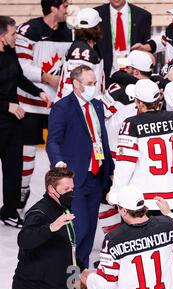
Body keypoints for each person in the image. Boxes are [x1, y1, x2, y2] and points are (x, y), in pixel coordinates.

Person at [108, 79, 173, 289]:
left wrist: (115, 194)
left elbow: (124, 165)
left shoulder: (131, 124)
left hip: (144, 198)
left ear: (139, 103)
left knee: (145, 247)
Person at [47, 65, 114, 270]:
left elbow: (101, 139)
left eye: (95, 83)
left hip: (96, 175)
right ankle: (67, 270)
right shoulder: (62, 107)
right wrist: (58, 163)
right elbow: (53, 141)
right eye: (89, 84)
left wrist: (110, 169)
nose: (93, 87)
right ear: (76, 84)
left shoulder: (97, 105)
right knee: (80, 227)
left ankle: (80, 271)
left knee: (91, 228)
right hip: (74, 178)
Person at [80, 186, 173, 289]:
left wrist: (86, 277)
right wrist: (170, 215)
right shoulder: (169, 224)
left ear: (124, 211)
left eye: (118, 207)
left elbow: (105, 286)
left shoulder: (113, 239)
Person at [15, 0, 73, 214]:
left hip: (57, 105)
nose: (68, 11)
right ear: (53, 8)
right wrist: (49, 79)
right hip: (30, 104)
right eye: (65, 6)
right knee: (27, 152)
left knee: (58, 155)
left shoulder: (69, 33)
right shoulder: (29, 30)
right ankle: (21, 197)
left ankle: (59, 202)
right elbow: (22, 67)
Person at [0, 16, 51, 228]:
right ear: (2, 37)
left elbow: (20, 78)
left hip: (13, 121)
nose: (16, 37)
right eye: (13, 34)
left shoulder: (10, 53)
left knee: (14, 168)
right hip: (4, 114)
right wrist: (6, 105)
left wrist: (39, 91)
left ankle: (9, 212)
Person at [98, 49, 155, 234]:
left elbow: (98, 115)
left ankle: (119, 237)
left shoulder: (118, 89)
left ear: (134, 71)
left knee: (117, 198)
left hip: (118, 155)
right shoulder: (154, 88)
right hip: (145, 155)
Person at [12, 167, 76, 289]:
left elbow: (68, 245)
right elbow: (24, 240)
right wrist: (51, 227)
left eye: (72, 189)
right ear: (52, 189)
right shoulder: (38, 213)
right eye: (66, 189)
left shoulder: (64, 210)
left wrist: (76, 276)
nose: (70, 193)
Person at [94, 0, 152, 85]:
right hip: (104, 77)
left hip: (133, 77)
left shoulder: (142, 16)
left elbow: (146, 47)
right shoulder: (96, 14)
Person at [56, 8, 105, 101]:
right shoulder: (82, 52)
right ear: (96, 28)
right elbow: (72, 87)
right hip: (75, 108)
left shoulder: (88, 47)